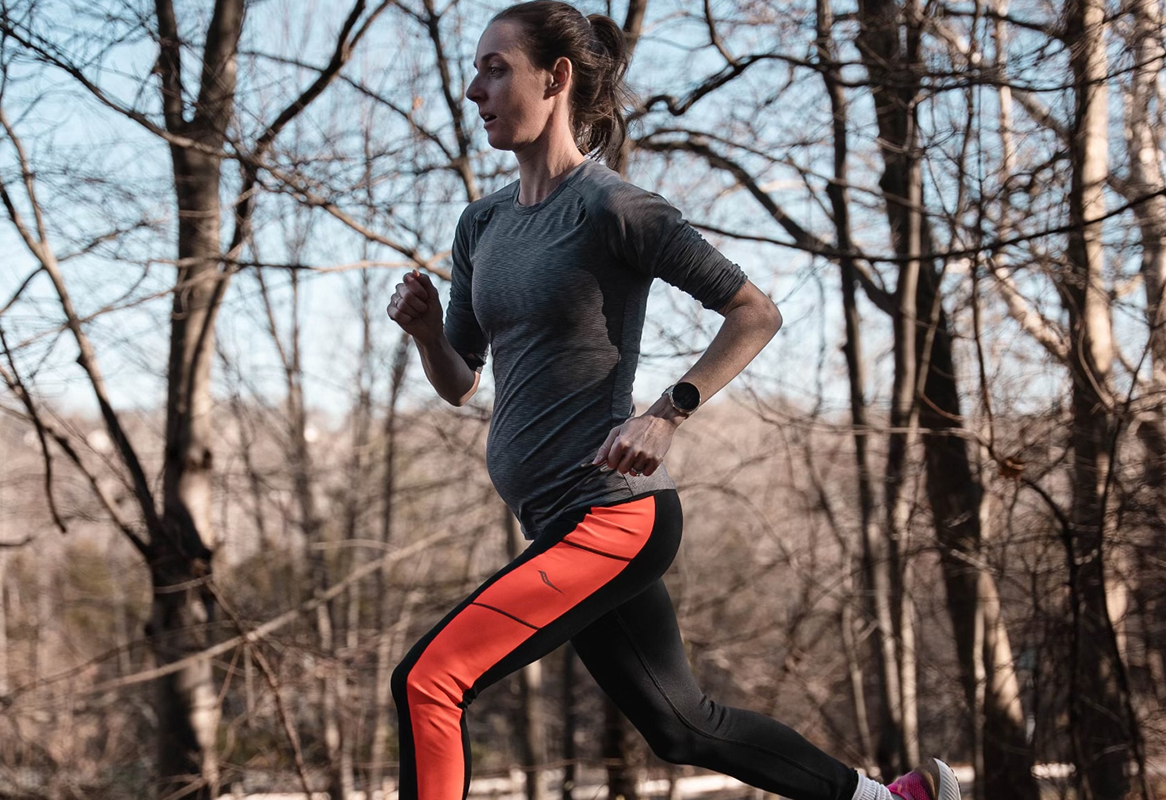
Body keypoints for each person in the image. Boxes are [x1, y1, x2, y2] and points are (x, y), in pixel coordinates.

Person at [385, 3, 962, 800]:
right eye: (475, 67)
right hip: (554, 521)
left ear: (555, 79)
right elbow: (462, 381)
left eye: (495, 67)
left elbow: (755, 311)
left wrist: (666, 410)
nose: (474, 88)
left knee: (431, 680)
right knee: (681, 723)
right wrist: (423, 333)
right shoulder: (480, 225)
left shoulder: (615, 208)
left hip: (614, 516)